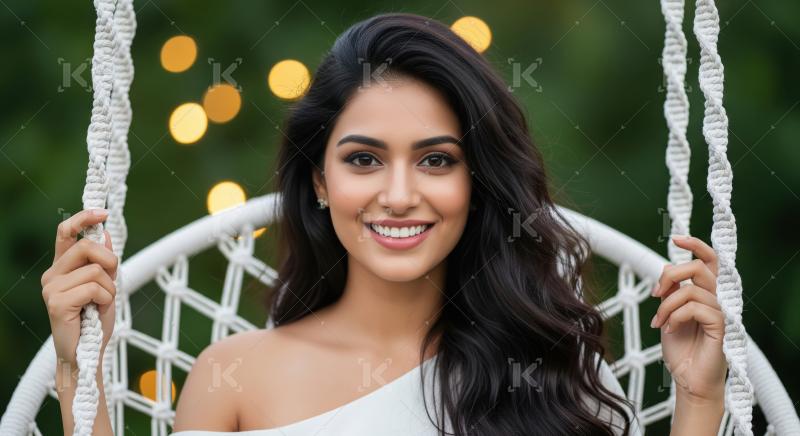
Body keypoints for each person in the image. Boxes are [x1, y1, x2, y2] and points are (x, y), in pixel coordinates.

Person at [41, 12, 728, 436]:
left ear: (476, 180)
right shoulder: (235, 377)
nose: (399, 195)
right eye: (364, 159)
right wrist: (81, 375)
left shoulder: (550, 375)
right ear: (319, 180)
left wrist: (699, 399)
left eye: (436, 159)